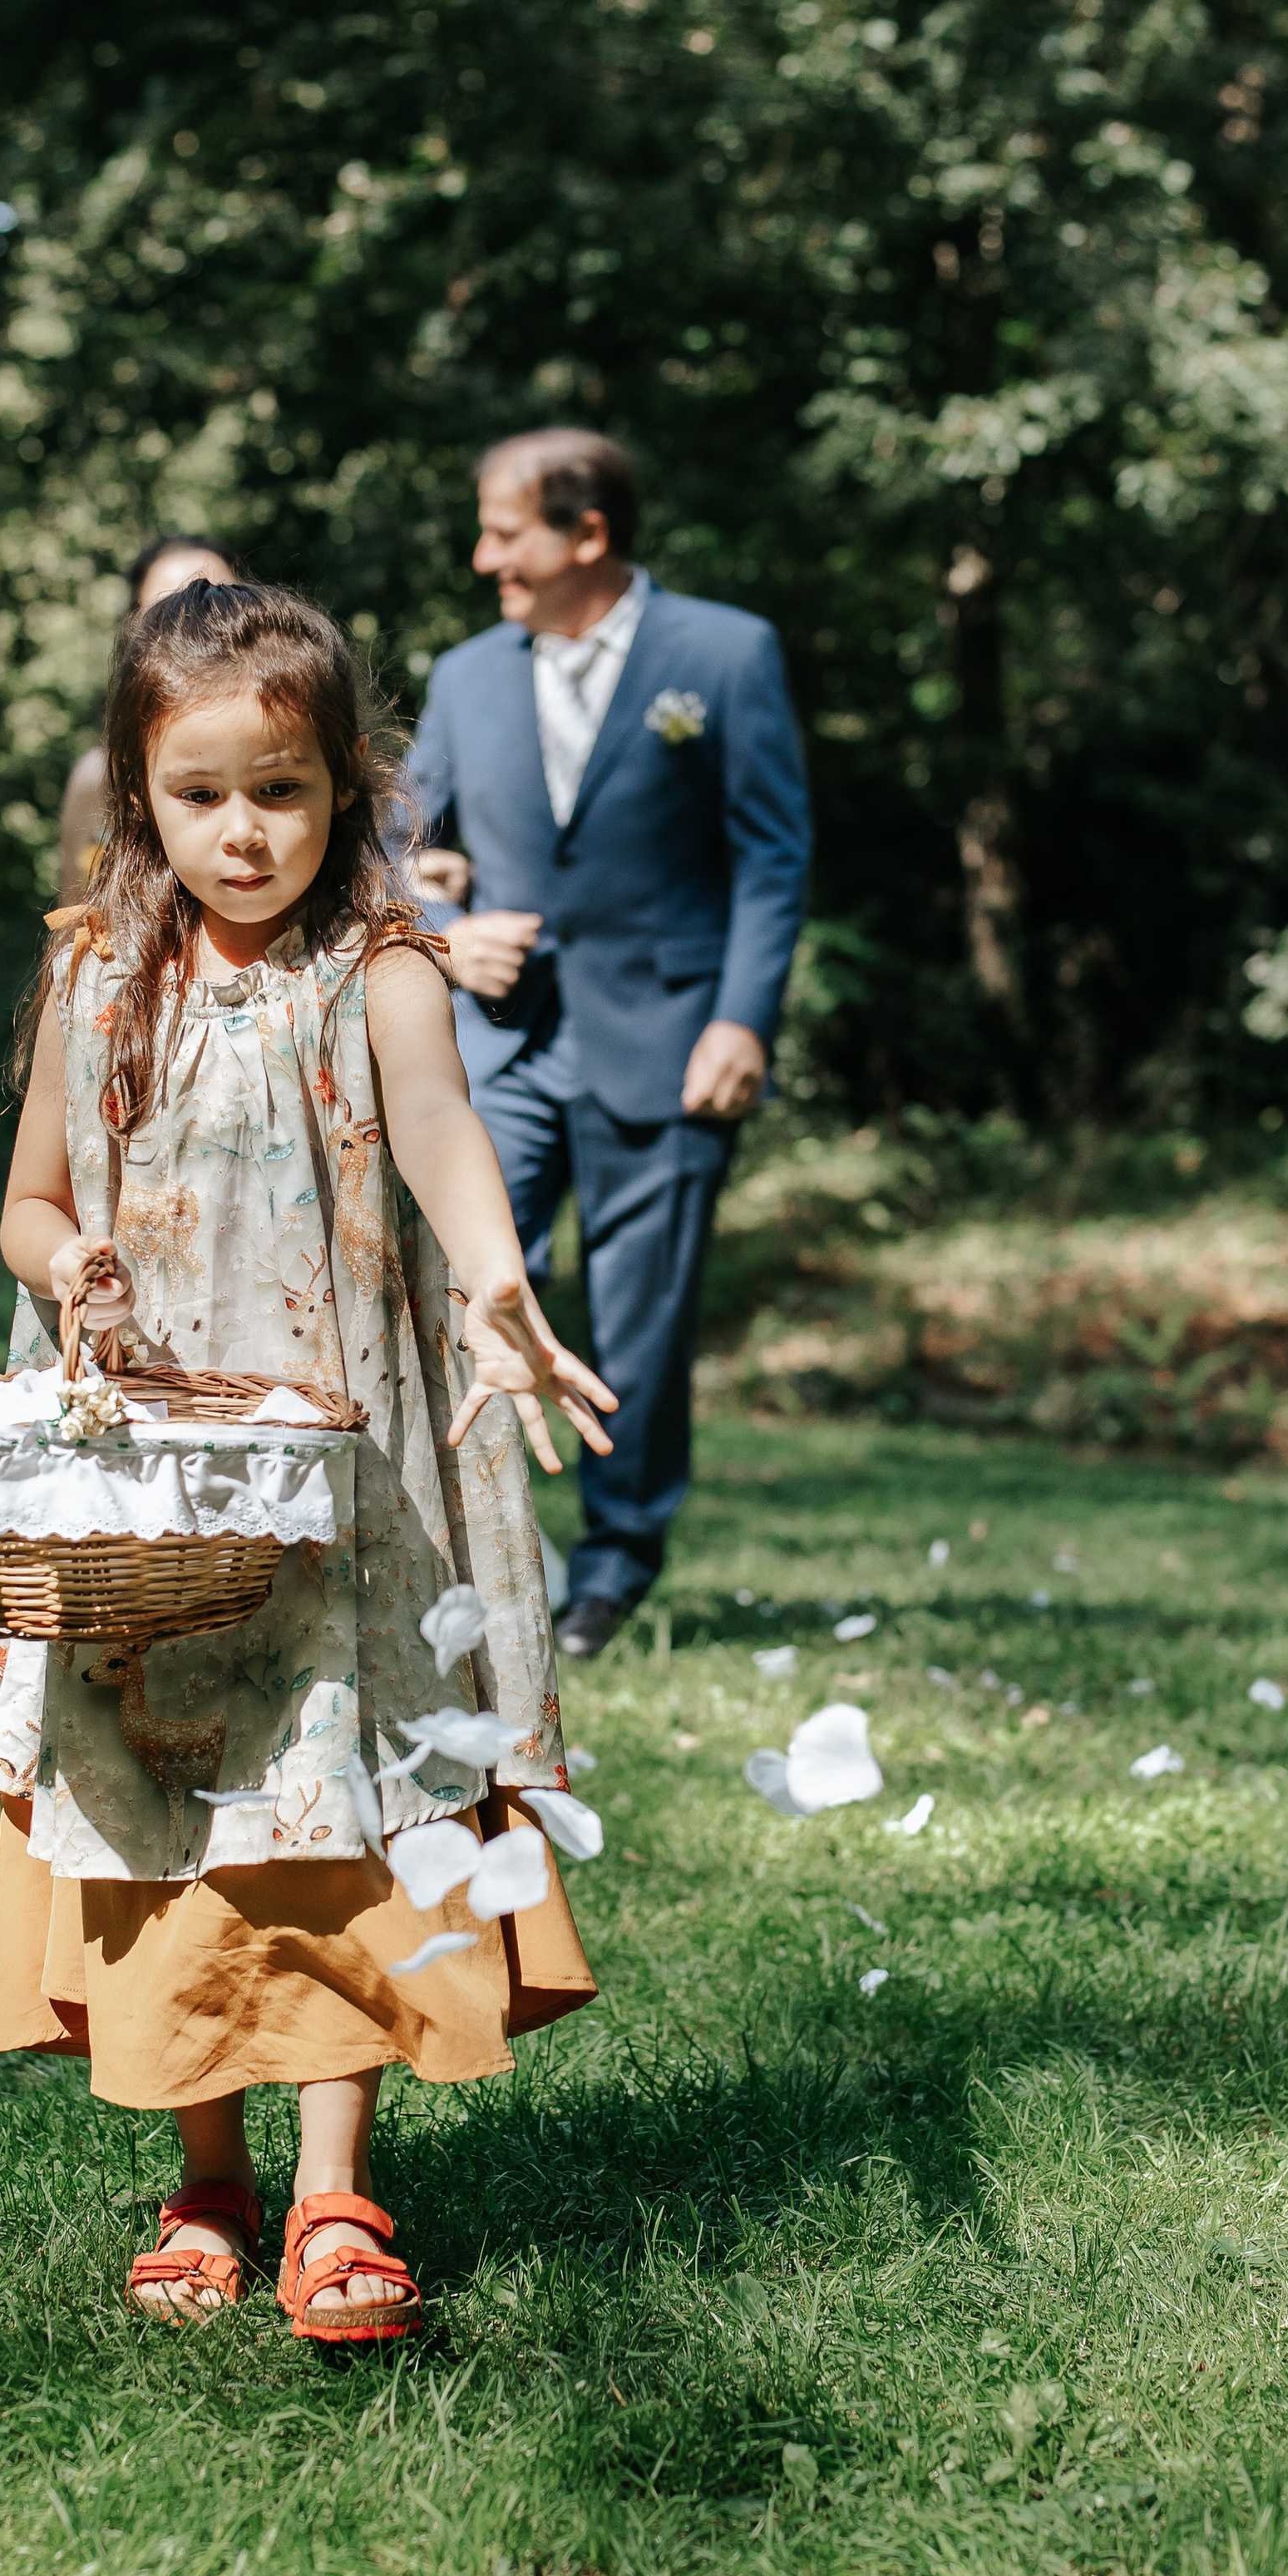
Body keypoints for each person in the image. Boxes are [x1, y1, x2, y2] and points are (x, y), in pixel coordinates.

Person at [0, 579, 615, 2341]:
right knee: (164, 1805)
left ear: (344, 790)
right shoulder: (91, 972)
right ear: (134, 789)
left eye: (284, 791)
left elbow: (443, 1136)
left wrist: (493, 1284)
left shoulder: (374, 970)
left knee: (326, 1817)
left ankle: (332, 2186)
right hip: (146, 1482)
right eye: (199, 795)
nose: (242, 833)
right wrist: (62, 1264)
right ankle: (206, 2178)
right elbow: (28, 1201)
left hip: (337, 1483)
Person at [408, 428, 811, 1660]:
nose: (486, 559)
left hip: (671, 1042)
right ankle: (464, 1558)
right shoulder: (468, 675)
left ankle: (615, 1566)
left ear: (588, 534)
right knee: (467, 1287)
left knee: (640, 1321)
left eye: (507, 531)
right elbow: (391, 840)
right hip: (506, 1047)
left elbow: (772, 853)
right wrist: (441, 931)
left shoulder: (724, 653)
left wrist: (743, 1016)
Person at [56, 533, 239, 902]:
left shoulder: (313, 749)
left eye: (217, 600)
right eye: (167, 611)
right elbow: (73, 924)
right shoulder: (100, 778)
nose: (194, 625)